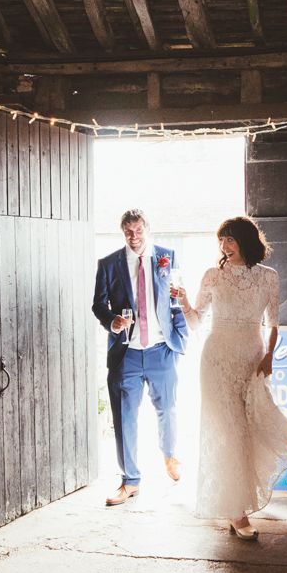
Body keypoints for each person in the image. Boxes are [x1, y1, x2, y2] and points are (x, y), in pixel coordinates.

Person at [172, 216, 287, 540]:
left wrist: (269, 356)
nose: (224, 247)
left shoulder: (268, 277)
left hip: (251, 360)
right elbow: (198, 321)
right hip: (217, 361)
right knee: (226, 431)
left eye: (230, 239)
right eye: (221, 241)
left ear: (245, 241)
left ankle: (237, 503)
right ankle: (236, 513)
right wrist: (184, 301)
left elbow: (273, 324)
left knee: (246, 431)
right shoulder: (213, 276)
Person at [92, 209, 188, 506]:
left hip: (161, 349)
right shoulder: (108, 264)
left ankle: (170, 454)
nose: (134, 238)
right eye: (128, 233)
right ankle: (130, 480)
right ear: (123, 233)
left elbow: (175, 301)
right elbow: (98, 304)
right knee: (124, 419)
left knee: (168, 409)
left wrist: (180, 338)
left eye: (138, 231)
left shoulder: (167, 257)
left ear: (147, 229)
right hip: (127, 353)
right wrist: (113, 321)